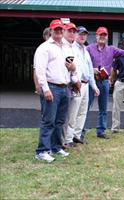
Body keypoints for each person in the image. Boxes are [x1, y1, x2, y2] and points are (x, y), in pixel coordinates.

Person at [34, 19, 79, 162]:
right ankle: (42, 151)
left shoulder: (65, 48)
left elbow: (70, 67)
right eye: (56, 30)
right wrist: (45, 89)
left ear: (63, 31)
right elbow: (40, 71)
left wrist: (73, 70)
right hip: (51, 87)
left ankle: (56, 147)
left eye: (61, 29)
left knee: (60, 121)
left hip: (64, 87)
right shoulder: (44, 48)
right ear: (51, 31)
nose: (59, 32)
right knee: (48, 120)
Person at [86, 27, 124, 139]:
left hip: (104, 81)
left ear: (107, 36)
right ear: (96, 36)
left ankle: (101, 131)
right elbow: (82, 62)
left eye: (104, 34)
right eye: (100, 34)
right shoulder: (89, 49)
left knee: (103, 109)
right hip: (91, 81)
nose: (102, 36)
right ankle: (80, 133)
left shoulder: (112, 49)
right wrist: (92, 69)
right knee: (85, 107)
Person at [63, 26, 100, 148]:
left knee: (82, 112)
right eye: (80, 34)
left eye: (84, 34)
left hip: (85, 85)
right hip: (76, 84)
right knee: (72, 113)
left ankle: (76, 135)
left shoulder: (86, 50)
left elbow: (89, 70)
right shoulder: (71, 48)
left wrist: (94, 86)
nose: (82, 36)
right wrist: (75, 81)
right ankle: (67, 139)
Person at [33, 27, 51, 94]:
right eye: (49, 35)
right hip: (46, 84)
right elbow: (36, 69)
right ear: (45, 37)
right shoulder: (41, 49)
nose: (51, 37)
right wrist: (37, 85)